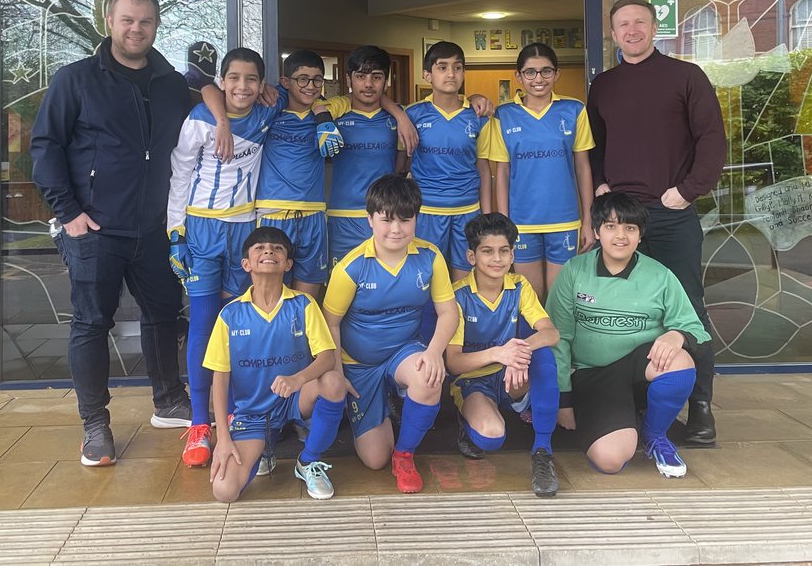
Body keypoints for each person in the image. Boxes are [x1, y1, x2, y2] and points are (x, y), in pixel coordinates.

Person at [30, 0, 191, 469]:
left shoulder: (170, 83)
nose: (136, 29)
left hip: (155, 227)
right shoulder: (76, 79)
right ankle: (95, 425)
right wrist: (68, 212)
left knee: (164, 317)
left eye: (145, 21)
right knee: (91, 324)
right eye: (127, 20)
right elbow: (45, 147)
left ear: (156, 26)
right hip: (95, 228)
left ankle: (169, 400)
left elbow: (212, 92)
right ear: (109, 22)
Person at [585, 0, 727, 444]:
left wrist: (687, 191)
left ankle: (701, 411)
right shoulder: (603, 85)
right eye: (623, 24)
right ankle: (642, 406)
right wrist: (603, 182)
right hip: (622, 219)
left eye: (640, 23)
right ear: (613, 34)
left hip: (670, 214)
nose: (632, 31)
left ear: (654, 28)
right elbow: (595, 145)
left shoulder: (686, 76)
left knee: (687, 310)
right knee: (629, 312)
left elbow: (712, 140)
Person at [168, 46, 287, 469]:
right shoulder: (200, 119)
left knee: (238, 326)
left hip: (244, 233)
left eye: (252, 79)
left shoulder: (268, 110)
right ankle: (200, 423)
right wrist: (174, 232)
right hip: (201, 229)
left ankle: (234, 413)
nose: (242, 86)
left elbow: (299, 94)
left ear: (262, 84)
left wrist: (276, 89)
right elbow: (180, 172)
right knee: (203, 324)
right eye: (233, 78)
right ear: (221, 82)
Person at [548, 192, 709, 478]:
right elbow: (557, 338)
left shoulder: (659, 275)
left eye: (630, 228)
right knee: (610, 461)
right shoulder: (574, 271)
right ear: (596, 232)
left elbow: (696, 329)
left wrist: (677, 336)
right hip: (592, 376)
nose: (620, 236)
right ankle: (624, 422)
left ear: (639, 235)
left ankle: (655, 435)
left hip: (638, 370)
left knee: (681, 362)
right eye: (611, 226)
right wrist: (564, 401)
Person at [322, 174, 458, 493]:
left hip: (403, 353)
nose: (395, 229)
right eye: (386, 220)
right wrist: (339, 374)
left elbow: (449, 311)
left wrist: (434, 351)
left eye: (405, 220)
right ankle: (384, 406)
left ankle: (405, 454)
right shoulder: (350, 268)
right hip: (359, 363)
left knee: (428, 376)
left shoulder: (430, 257)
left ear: (416, 219)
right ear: (370, 220)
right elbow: (329, 324)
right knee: (373, 459)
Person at [204, 226, 347, 502]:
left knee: (333, 382)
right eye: (259, 248)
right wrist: (222, 438)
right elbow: (219, 379)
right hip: (253, 414)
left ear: (288, 264)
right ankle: (263, 447)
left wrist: (298, 379)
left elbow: (328, 357)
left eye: (277, 248)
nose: (268, 250)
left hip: (295, 398)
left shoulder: (303, 304)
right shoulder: (230, 314)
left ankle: (308, 461)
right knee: (224, 491)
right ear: (246, 264)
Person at [445, 212, 560, 497]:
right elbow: (453, 362)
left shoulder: (520, 286)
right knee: (491, 437)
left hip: (510, 373)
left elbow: (551, 333)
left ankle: (543, 452)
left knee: (543, 354)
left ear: (512, 255)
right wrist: (500, 353)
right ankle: (474, 417)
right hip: (474, 381)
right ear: (472, 256)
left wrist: (519, 350)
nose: (496, 259)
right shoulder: (458, 296)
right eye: (487, 251)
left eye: (504, 251)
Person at [485, 43, 595, 302]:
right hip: (522, 223)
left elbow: (583, 167)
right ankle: (534, 345)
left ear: (557, 74)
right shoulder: (504, 115)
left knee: (560, 300)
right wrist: (503, 225)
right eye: (530, 72)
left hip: (565, 221)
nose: (538, 79)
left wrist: (588, 221)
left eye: (546, 71)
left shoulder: (574, 110)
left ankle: (559, 345)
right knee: (530, 300)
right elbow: (501, 172)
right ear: (519, 76)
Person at [239, 49, 343, 297]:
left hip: (314, 214)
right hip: (273, 213)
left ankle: (302, 337)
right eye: (302, 79)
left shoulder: (329, 110)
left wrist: (323, 115)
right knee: (270, 295)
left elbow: (364, 99)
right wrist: (270, 89)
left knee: (308, 297)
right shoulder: (269, 109)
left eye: (317, 79)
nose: (311, 86)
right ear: (286, 82)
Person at [322, 46, 418, 266]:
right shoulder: (336, 112)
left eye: (376, 77)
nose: (368, 84)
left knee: (383, 283)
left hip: (386, 217)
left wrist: (399, 114)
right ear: (348, 79)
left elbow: (402, 165)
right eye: (360, 76)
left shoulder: (401, 118)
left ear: (387, 80)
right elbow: (316, 106)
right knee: (342, 286)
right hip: (343, 216)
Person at [406, 41, 493, 282]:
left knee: (463, 282)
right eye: (442, 67)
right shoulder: (412, 115)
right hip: (427, 211)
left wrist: (486, 216)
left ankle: (460, 321)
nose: (450, 74)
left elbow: (484, 168)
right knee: (425, 279)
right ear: (427, 75)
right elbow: (402, 164)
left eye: (457, 67)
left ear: (464, 73)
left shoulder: (478, 116)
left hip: (468, 211)